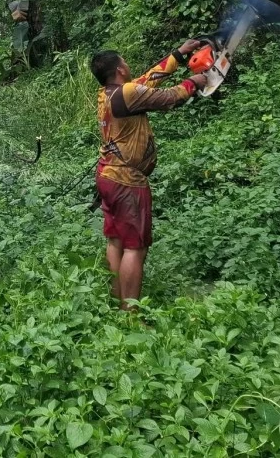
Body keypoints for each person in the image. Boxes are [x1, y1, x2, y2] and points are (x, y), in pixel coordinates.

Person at [89, 41, 208, 310]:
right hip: (126, 181)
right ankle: (130, 311)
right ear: (120, 69)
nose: (130, 67)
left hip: (107, 175)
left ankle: (116, 300)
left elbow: (149, 79)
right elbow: (169, 97)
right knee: (135, 247)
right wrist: (195, 82)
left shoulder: (108, 94)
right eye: (126, 62)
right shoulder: (128, 93)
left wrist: (178, 54)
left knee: (117, 240)